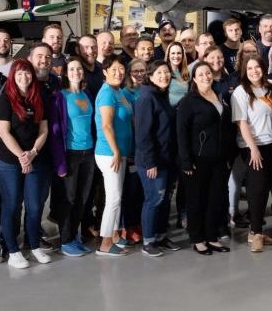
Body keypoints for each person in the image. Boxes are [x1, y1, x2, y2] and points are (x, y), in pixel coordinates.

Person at [0, 58, 51, 269]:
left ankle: (34, 245)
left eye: (27, 73)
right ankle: (13, 251)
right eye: (19, 73)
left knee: (35, 206)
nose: (24, 77)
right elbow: (4, 133)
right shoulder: (5, 99)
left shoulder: (39, 98)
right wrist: (22, 156)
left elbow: (44, 130)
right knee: (12, 205)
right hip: (9, 162)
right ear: (12, 76)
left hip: (36, 159)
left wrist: (33, 153)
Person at [177, 62, 235, 255]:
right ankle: (198, 238)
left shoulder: (219, 96)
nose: (205, 77)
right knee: (196, 200)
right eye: (200, 74)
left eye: (208, 73)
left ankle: (212, 236)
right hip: (197, 159)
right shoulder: (188, 101)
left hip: (219, 159)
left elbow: (226, 129)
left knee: (215, 199)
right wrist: (185, 160)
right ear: (194, 78)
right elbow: (181, 133)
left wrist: (228, 155)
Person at [231, 57, 272, 252]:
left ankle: (260, 232)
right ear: (245, 71)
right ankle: (256, 233)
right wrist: (253, 148)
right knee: (257, 190)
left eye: (257, 67)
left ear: (263, 68)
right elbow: (241, 123)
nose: (254, 71)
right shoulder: (241, 92)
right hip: (252, 146)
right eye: (249, 68)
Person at [47, 57, 96, 258]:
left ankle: (74, 237)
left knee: (83, 198)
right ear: (66, 73)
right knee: (68, 198)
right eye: (72, 69)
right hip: (70, 153)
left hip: (89, 152)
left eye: (79, 69)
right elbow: (55, 131)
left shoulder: (87, 94)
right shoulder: (60, 97)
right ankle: (65, 240)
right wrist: (59, 162)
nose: (76, 72)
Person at [133, 60, 179, 257]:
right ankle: (148, 241)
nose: (164, 76)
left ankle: (161, 235)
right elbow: (143, 135)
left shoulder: (162, 95)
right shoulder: (146, 98)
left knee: (164, 199)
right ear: (150, 76)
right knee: (154, 199)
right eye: (159, 73)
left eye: (166, 72)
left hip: (167, 159)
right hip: (151, 162)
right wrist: (150, 161)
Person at [93, 56, 133, 257]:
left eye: (121, 69)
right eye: (114, 69)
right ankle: (105, 243)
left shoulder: (118, 91)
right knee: (113, 198)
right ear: (105, 71)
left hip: (120, 153)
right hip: (110, 153)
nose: (118, 73)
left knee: (117, 197)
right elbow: (106, 125)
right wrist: (116, 151)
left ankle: (115, 236)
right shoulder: (107, 93)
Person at [166, 42, 190, 107]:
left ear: (183, 55)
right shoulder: (165, 73)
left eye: (179, 53)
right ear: (168, 55)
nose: (176, 56)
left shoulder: (186, 73)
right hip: (170, 112)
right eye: (173, 53)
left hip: (184, 110)